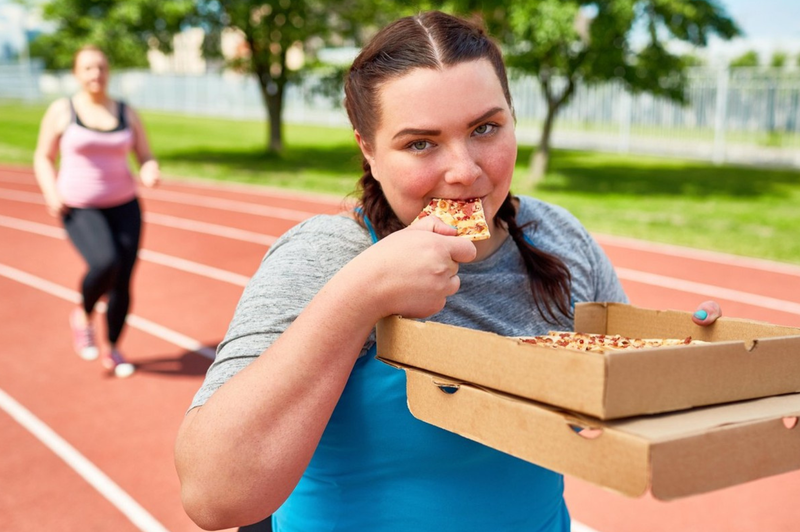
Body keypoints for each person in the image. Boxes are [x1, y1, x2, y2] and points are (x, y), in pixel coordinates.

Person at [175, 11, 721, 531]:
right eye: (420, 143)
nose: (463, 171)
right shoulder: (326, 254)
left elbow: (618, 418)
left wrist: (718, 380)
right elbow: (213, 496)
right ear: (368, 150)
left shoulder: (559, 238)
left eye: (485, 128)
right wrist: (359, 297)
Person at [33, 45, 160, 378]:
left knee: (124, 281)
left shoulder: (125, 112)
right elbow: (43, 157)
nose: (96, 74)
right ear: (76, 73)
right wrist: (50, 190)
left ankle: (114, 349)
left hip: (125, 205)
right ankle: (84, 314)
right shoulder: (63, 111)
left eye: (101, 67)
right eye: (88, 68)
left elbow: (145, 155)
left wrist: (149, 170)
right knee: (105, 263)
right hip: (79, 206)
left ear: (109, 71)